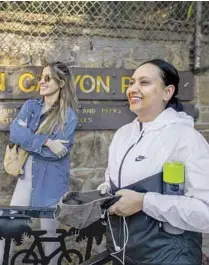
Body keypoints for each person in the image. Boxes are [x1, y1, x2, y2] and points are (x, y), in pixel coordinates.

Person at [97, 59, 209, 265]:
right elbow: (113, 180)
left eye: (144, 82)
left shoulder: (186, 138)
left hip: (169, 257)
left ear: (167, 92)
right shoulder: (122, 134)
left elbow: (205, 212)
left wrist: (144, 202)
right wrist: (104, 193)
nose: (133, 88)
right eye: (131, 82)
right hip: (122, 255)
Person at [0, 61, 78, 265]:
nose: (41, 82)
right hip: (26, 178)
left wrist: (33, 141)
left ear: (61, 83)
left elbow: (58, 154)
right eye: (40, 77)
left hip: (51, 182)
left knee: (49, 235)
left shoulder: (68, 115)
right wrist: (47, 141)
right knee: (7, 228)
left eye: (47, 78)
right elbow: (16, 133)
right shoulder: (31, 106)